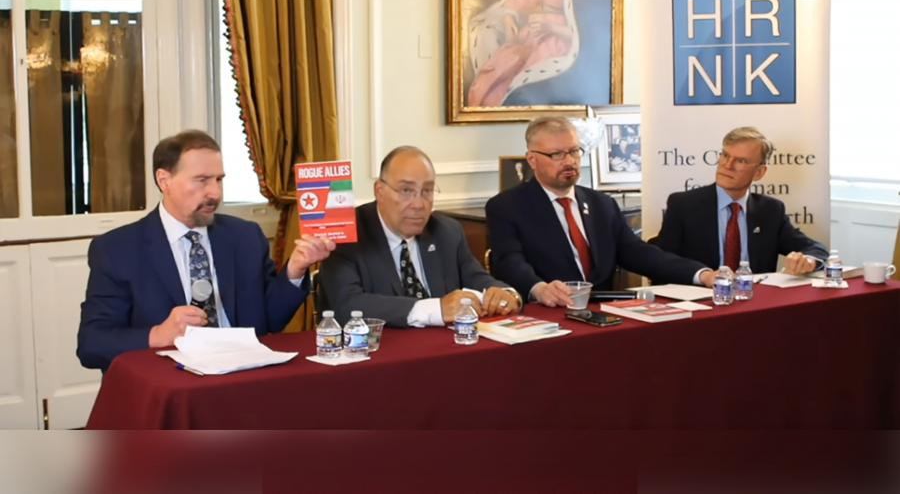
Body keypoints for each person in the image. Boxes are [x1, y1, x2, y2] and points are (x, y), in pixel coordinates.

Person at [77, 130, 334, 371]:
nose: (215, 193)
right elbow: (92, 344)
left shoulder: (244, 237)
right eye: (202, 180)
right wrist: (158, 335)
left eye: (219, 180)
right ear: (164, 180)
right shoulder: (118, 249)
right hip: (170, 381)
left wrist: (295, 269)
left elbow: (269, 320)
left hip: (242, 374)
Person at [486, 117, 715, 308]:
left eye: (574, 151)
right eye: (557, 155)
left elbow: (638, 253)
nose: (569, 161)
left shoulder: (601, 204)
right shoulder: (507, 207)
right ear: (532, 160)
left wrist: (700, 274)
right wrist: (540, 289)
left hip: (603, 312)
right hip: (549, 312)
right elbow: (509, 262)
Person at [318, 146, 521, 327]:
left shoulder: (447, 231)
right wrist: (435, 309)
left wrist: (506, 294)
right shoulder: (346, 234)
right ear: (379, 191)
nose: (419, 204)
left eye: (427, 191)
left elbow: (477, 278)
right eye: (406, 190)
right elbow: (345, 306)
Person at [651, 126, 828, 275]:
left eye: (741, 161)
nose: (727, 165)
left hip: (755, 300)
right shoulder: (683, 205)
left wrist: (808, 261)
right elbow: (663, 262)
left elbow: (815, 249)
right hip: (700, 298)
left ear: (759, 172)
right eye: (725, 155)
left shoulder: (771, 210)